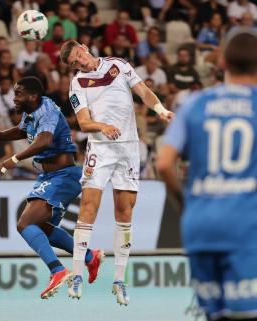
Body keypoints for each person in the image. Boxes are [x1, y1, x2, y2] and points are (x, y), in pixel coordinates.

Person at [59, 40, 173, 304]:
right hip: (101, 149)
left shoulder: (118, 65)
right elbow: (84, 122)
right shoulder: (77, 83)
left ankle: (119, 280)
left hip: (129, 149)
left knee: (125, 211)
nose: (80, 63)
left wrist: (161, 109)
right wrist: (103, 126)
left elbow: (143, 91)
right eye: (74, 63)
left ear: (85, 47)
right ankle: (77, 275)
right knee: (89, 206)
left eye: (79, 56)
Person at [0, 76, 104, 299]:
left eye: (18, 94)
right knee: (41, 229)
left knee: (24, 224)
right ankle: (91, 257)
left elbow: (44, 140)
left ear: (33, 96)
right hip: (50, 176)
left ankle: (58, 270)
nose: (14, 98)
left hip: (63, 176)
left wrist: (12, 159)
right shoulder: (31, 110)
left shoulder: (47, 111)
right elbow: (20, 131)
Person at [157, 30, 257, 321]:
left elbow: (164, 164)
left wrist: (187, 205)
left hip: (200, 227)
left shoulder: (195, 104)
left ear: (222, 63)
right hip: (244, 228)